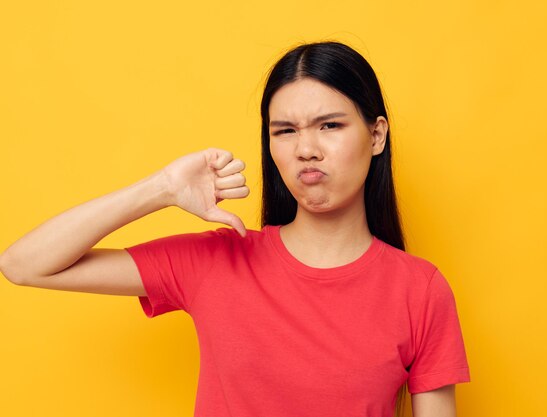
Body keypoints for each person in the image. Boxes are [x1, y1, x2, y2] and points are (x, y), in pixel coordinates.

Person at [0, 41, 470, 417]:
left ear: (376, 135)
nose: (306, 149)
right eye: (284, 130)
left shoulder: (420, 289)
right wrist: (161, 188)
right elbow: (23, 265)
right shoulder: (219, 260)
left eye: (329, 125)